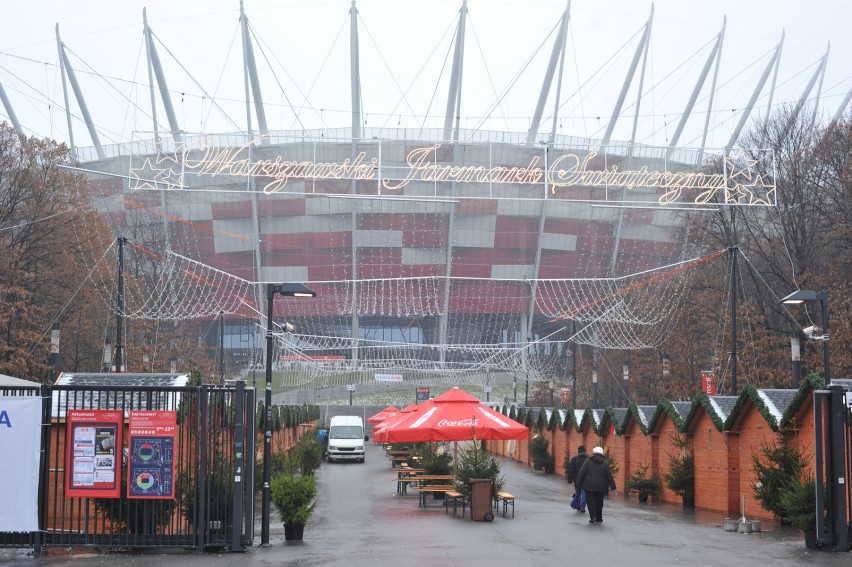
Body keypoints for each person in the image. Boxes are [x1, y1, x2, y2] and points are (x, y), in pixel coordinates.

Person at [575, 446, 616, 524]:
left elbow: (582, 472)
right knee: (599, 502)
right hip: (601, 487)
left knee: (591, 502)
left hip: (589, 486)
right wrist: (613, 486)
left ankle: (593, 517)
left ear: (594, 453)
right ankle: (599, 518)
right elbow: (609, 475)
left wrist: (578, 483)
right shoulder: (604, 462)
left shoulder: (588, 461)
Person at [566, 445, 588, 513]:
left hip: (577, 480)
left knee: (578, 493)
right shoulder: (588, 459)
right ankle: (582, 507)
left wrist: (570, 479)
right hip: (586, 480)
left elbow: (571, 470)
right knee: (584, 493)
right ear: (585, 451)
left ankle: (578, 505)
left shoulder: (574, 459)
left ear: (578, 451)